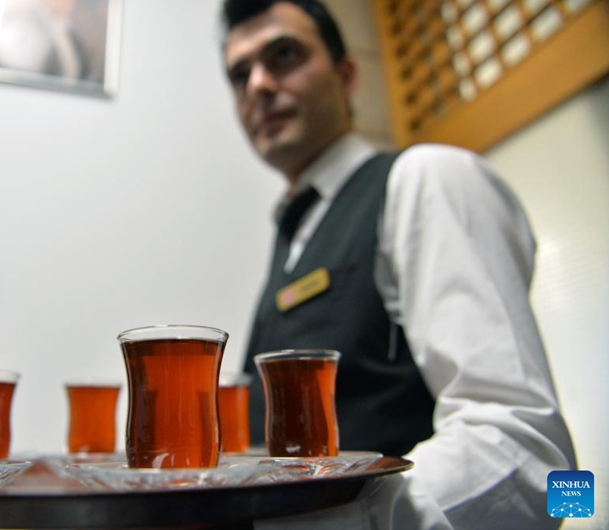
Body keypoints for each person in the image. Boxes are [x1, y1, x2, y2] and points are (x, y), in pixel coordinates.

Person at [220, 0, 577, 528]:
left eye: (284, 55)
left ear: (345, 75)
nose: (259, 85)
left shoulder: (427, 178)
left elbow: (538, 463)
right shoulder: (291, 237)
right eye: (240, 74)